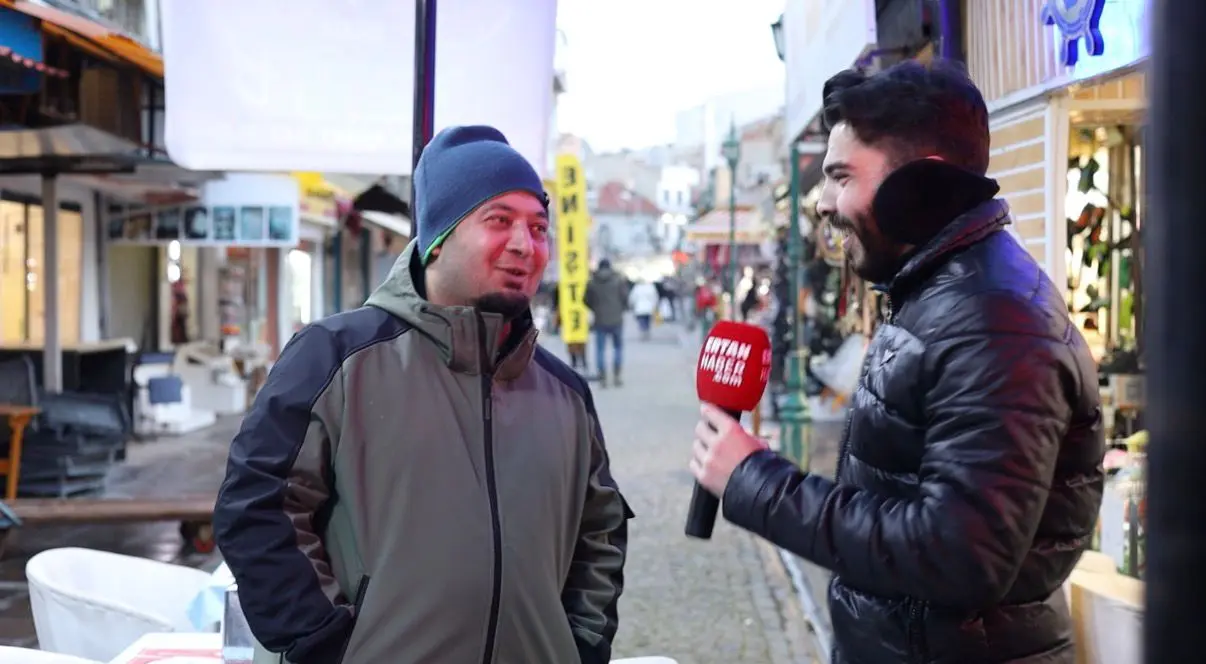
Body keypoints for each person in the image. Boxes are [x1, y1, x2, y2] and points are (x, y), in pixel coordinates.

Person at [687, 60, 1104, 664]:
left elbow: (960, 555)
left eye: (841, 177)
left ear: (921, 186)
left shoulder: (991, 320)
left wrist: (760, 483)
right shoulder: (938, 295)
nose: (824, 203)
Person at [214, 125, 632, 664]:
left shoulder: (565, 393)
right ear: (437, 239)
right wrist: (324, 644)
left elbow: (599, 531)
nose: (524, 244)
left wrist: (580, 646)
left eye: (538, 227)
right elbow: (257, 505)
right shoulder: (335, 359)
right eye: (498, 220)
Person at [584, 258, 629, 387]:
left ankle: (602, 376)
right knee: (618, 348)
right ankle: (617, 375)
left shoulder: (592, 282)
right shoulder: (618, 280)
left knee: (600, 350)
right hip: (616, 320)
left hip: (600, 320)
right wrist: (621, 309)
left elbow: (586, 300)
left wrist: (595, 309)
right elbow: (625, 298)